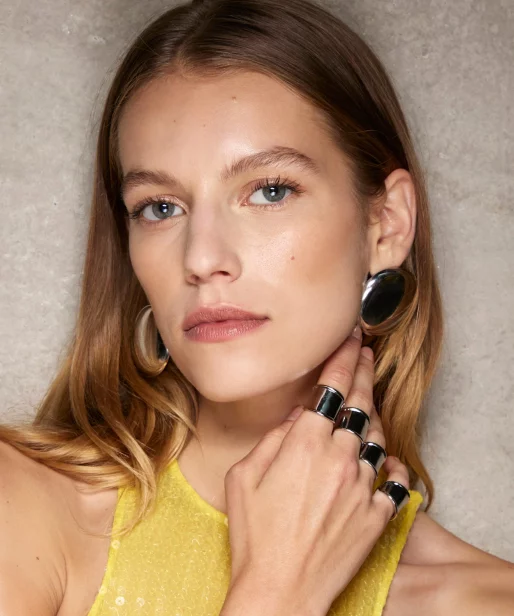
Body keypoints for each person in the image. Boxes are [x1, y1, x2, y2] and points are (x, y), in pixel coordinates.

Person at [0, 0, 512, 614]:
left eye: (269, 191)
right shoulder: (24, 506)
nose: (201, 257)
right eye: (160, 207)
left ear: (387, 225)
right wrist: (277, 591)